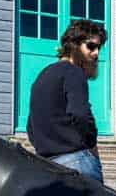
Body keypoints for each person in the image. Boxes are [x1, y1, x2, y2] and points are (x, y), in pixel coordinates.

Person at [27, 20, 107, 182]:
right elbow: (80, 113)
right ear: (74, 45)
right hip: (78, 162)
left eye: (99, 48)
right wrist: (91, 144)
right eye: (91, 46)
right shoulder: (73, 72)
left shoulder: (43, 75)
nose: (96, 53)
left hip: (48, 166)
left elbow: (31, 125)